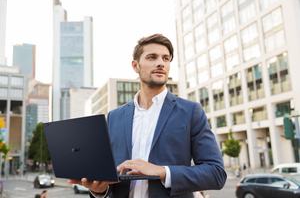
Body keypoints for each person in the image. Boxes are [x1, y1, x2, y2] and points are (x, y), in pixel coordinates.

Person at [70, 34, 227, 197]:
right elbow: (110, 178)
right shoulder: (114, 117)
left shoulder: (191, 112)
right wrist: (99, 190)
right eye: (152, 57)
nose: (161, 63)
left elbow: (216, 173)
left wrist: (161, 171)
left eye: (166, 58)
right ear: (135, 66)